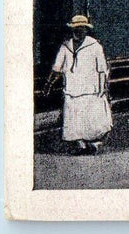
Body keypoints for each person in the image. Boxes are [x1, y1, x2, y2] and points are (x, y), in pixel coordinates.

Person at [42, 15, 113, 155]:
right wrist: (49, 83)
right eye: (76, 29)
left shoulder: (94, 46)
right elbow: (57, 67)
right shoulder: (65, 47)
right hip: (72, 90)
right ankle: (81, 145)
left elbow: (102, 69)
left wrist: (104, 87)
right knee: (74, 120)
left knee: (94, 121)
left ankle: (94, 143)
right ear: (72, 30)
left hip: (90, 90)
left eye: (81, 29)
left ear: (86, 30)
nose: (79, 31)